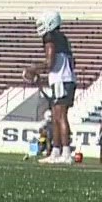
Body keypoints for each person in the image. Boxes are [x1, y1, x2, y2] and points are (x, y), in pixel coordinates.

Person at [35, 10, 76, 164]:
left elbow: (50, 63)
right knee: (56, 117)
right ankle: (56, 151)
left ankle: (65, 152)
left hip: (61, 80)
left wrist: (33, 68)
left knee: (60, 116)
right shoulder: (63, 39)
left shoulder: (50, 38)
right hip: (66, 79)